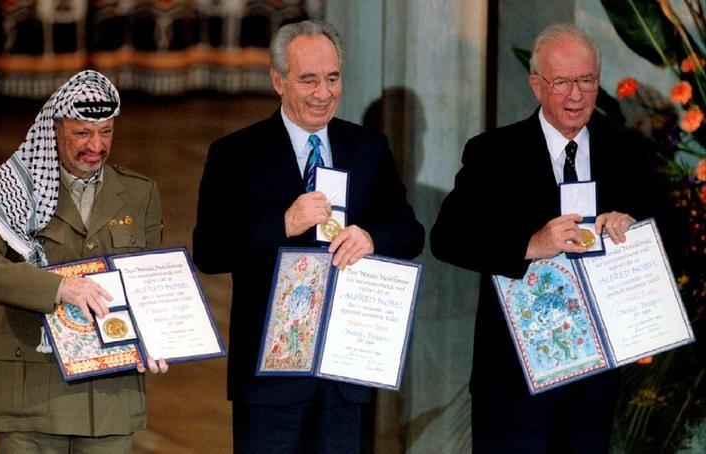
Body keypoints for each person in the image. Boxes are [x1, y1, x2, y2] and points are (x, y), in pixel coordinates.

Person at [430, 24, 673, 453]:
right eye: (562, 83)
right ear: (536, 85)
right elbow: (448, 237)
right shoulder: (494, 151)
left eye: (586, 81)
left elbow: (674, 231)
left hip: (595, 379)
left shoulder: (627, 150)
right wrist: (529, 245)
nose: (576, 96)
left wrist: (633, 228)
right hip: (512, 382)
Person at [193, 20, 424, 453]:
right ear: (278, 81)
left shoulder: (368, 148)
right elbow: (209, 249)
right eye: (309, 80)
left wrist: (372, 238)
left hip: (347, 375)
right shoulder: (235, 153)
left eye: (333, 78)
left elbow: (410, 233)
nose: (323, 93)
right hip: (269, 381)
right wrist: (282, 224)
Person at [0, 70, 167, 453]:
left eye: (106, 133)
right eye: (83, 133)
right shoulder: (14, 191)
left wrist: (159, 338)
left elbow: (149, 283)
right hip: (32, 400)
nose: (96, 146)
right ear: (55, 129)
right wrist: (60, 288)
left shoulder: (140, 193)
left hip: (109, 403)